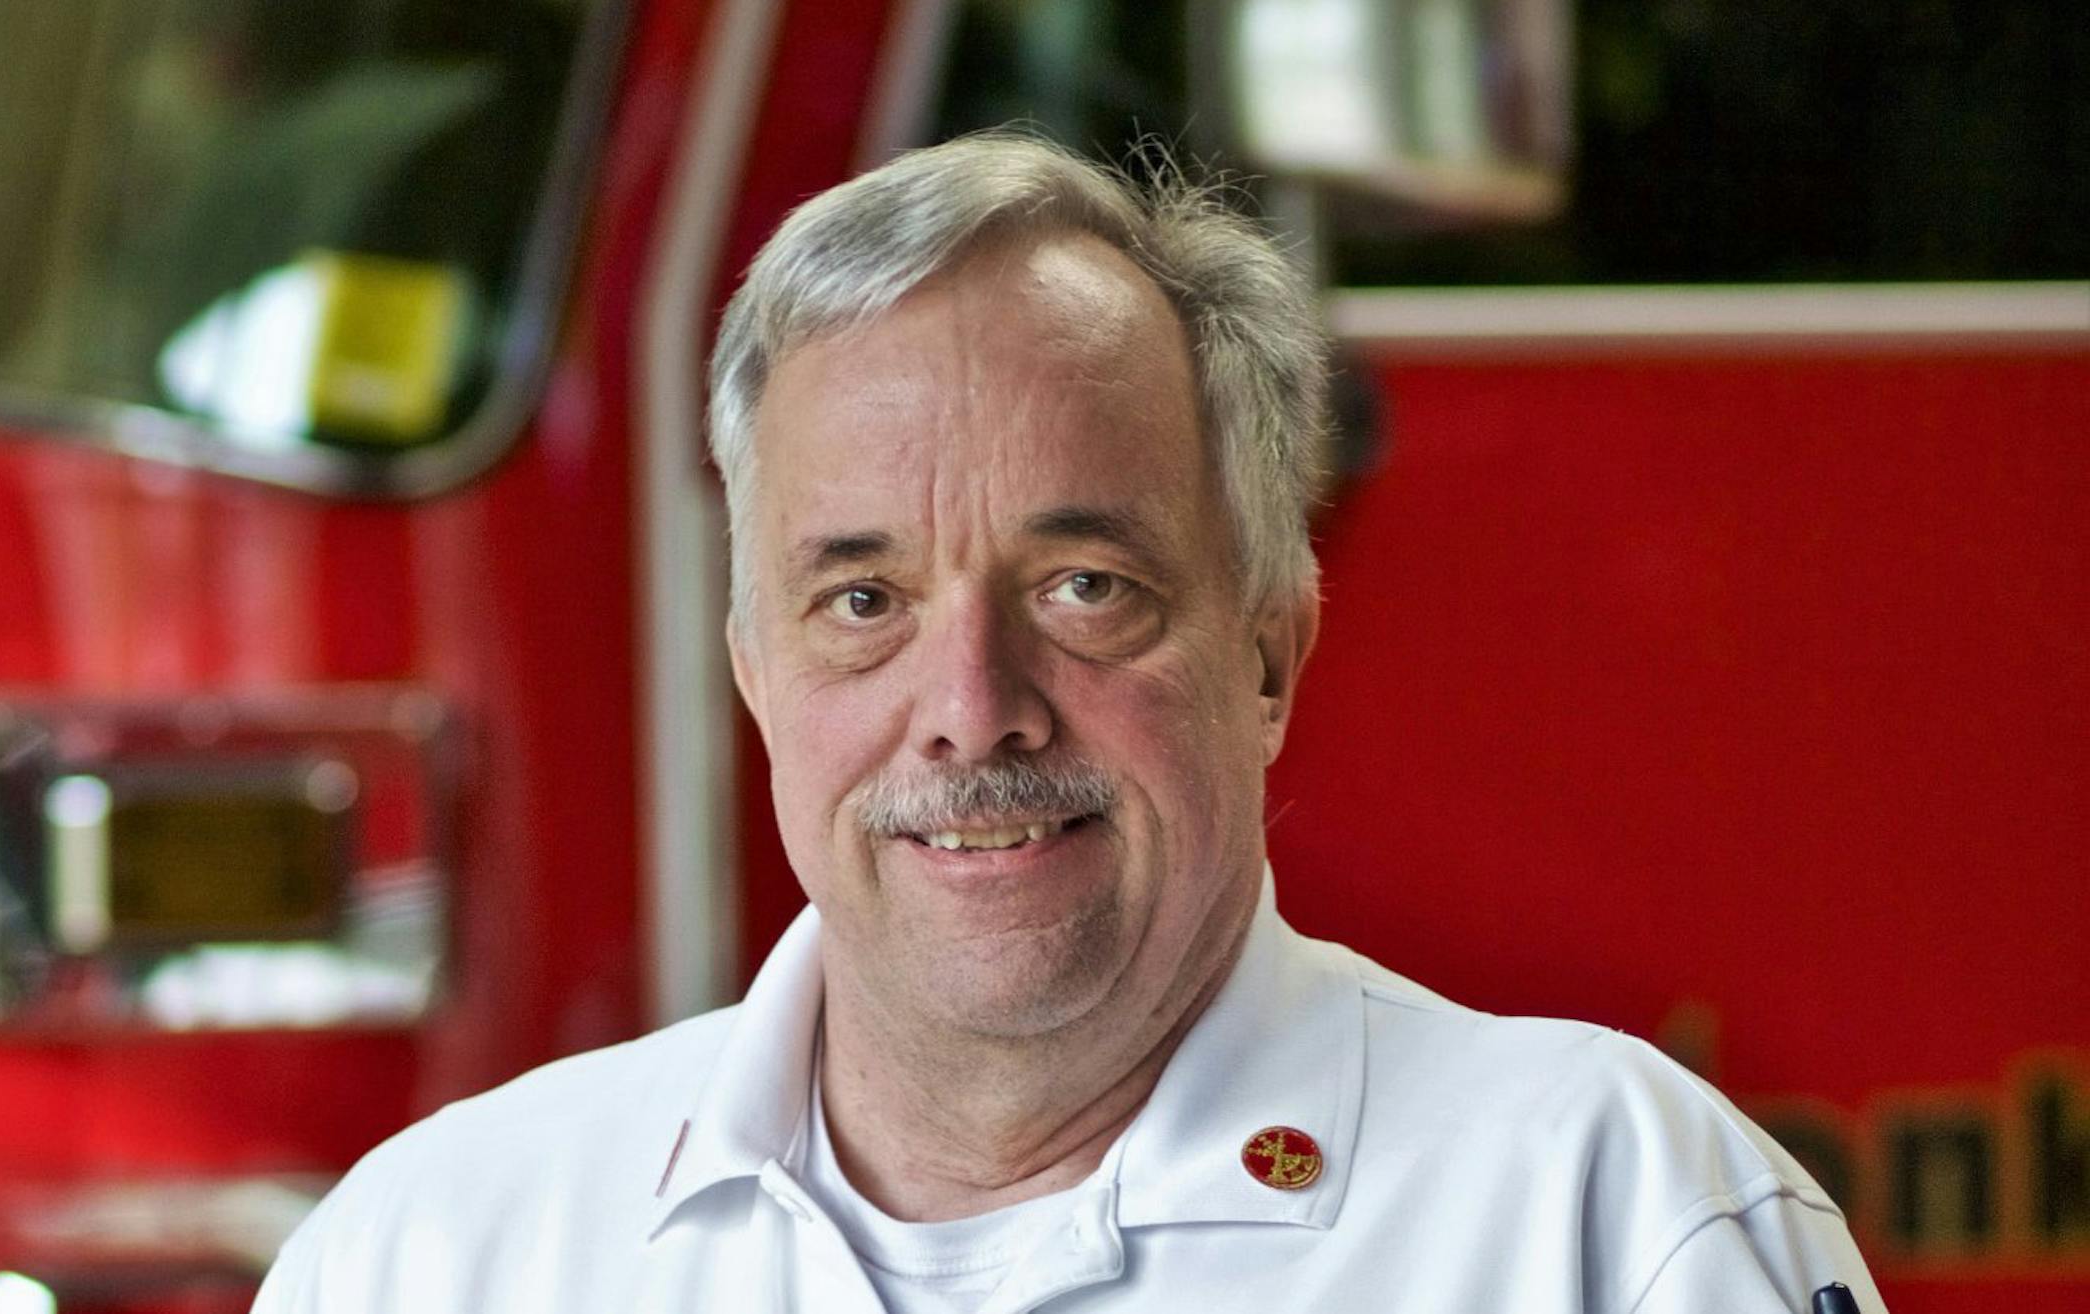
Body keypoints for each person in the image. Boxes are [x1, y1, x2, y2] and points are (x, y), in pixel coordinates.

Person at [253, 133, 1888, 1314]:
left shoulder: (1613, 1223)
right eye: (864, 600)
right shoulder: (426, 1257)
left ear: (1268, 653)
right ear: (755, 670)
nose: (971, 712)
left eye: (1086, 586)